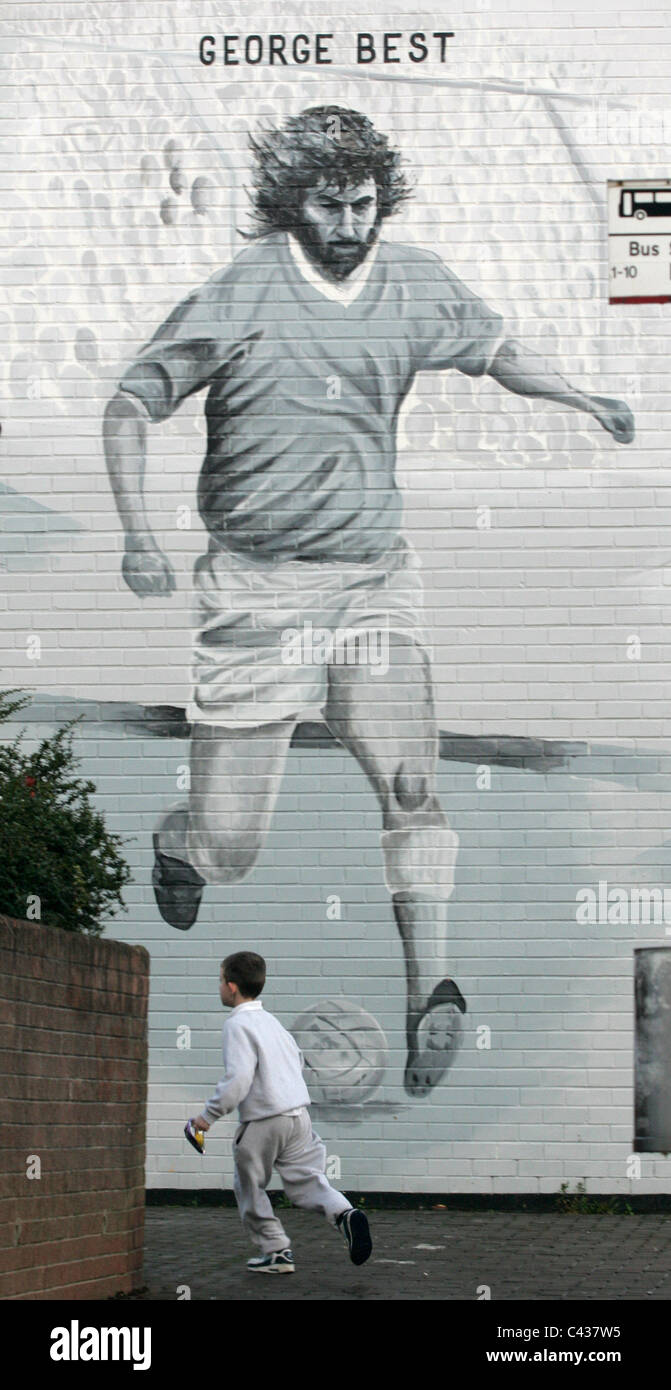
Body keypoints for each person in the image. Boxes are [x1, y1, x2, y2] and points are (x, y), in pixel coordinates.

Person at [103, 106, 635, 1101]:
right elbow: (132, 401)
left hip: (367, 583)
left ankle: (427, 983)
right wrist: (139, 531)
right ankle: (182, 844)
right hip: (253, 596)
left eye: (363, 203)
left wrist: (580, 399)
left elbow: (497, 349)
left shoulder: (414, 282)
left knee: (407, 783)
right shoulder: (244, 290)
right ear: (289, 204)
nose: (351, 222)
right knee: (230, 848)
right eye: (329, 203)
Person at [188, 950, 372, 1273]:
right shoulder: (271, 1023)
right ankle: (345, 1214)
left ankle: (275, 1251)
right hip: (298, 1115)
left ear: (232, 987)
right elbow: (297, 1061)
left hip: (263, 1119)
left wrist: (207, 1118)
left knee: (249, 1185)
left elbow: (238, 1079)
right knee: (307, 1180)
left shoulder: (237, 1025)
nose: (218, 987)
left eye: (220, 980)